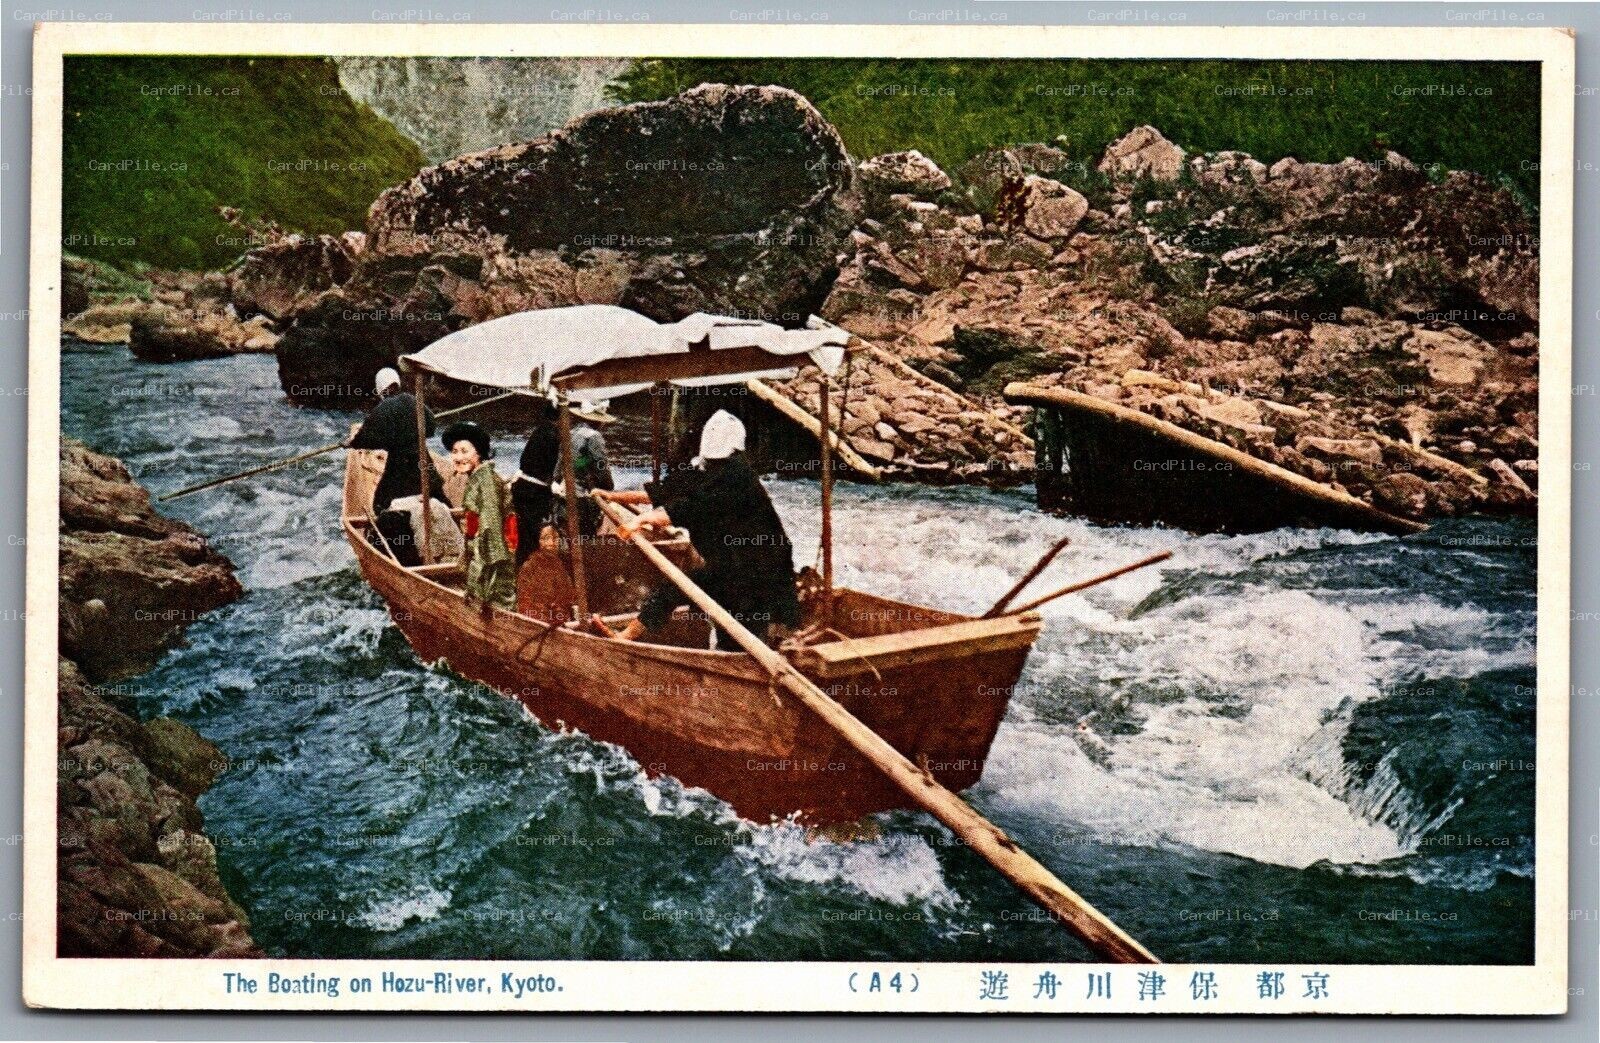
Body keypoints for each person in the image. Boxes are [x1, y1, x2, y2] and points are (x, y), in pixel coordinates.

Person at [594, 410, 800, 649]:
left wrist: (643, 520)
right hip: (729, 564)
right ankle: (624, 637)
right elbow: (661, 492)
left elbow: (694, 505)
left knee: (743, 624)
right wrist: (613, 496)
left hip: (758, 566)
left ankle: (749, 657)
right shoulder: (705, 470)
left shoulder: (737, 474)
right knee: (676, 589)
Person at [443, 421, 516, 612]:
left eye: (465, 451)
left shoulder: (485, 482)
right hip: (483, 553)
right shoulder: (478, 478)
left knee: (499, 605)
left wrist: (480, 569)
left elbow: (490, 530)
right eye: (455, 451)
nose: (458, 457)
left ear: (479, 453)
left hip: (493, 563)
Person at [551, 401, 616, 540]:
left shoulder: (570, 433)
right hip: (582, 499)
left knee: (568, 538)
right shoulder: (594, 437)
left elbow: (558, 470)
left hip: (563, 494)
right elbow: (601, 466)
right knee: (587, 538)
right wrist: (608, 488)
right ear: (598, 421)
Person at [510, 398, 560, 568]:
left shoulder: (541, 430)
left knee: (524, 536)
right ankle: (527, 573)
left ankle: (523, 569)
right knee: (530, 538)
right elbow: (559, 467)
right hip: (534, 492)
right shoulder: (554, 435)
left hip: (523, 486)